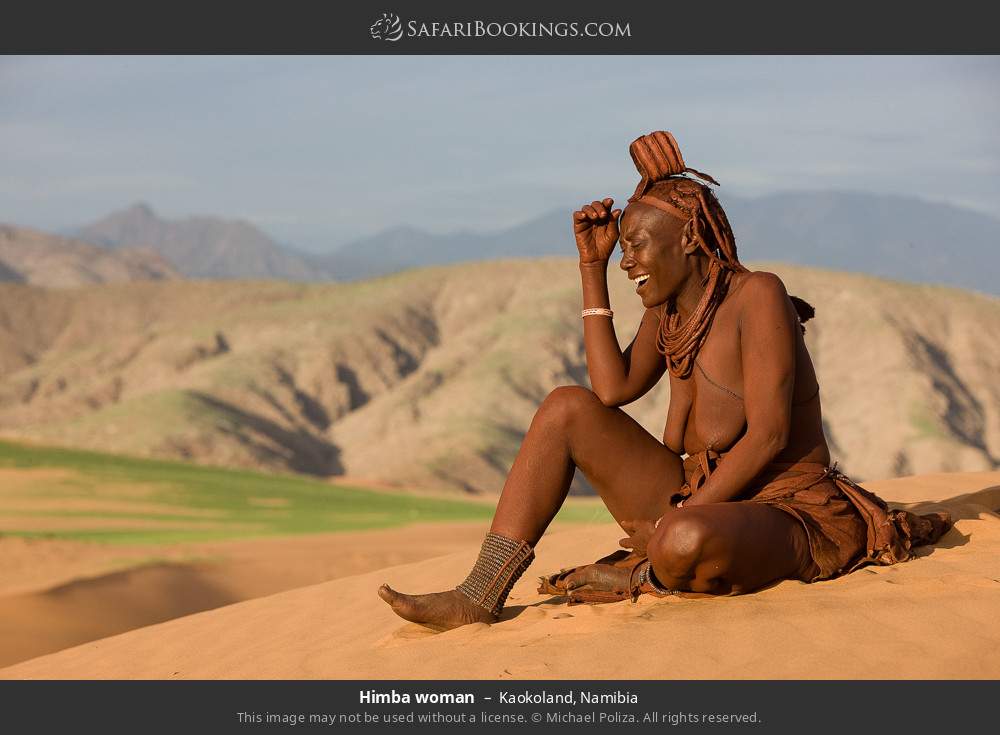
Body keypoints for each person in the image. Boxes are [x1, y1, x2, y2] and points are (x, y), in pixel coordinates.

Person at [377, 131, 950, 630]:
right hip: (694, 495)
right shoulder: (669, 312)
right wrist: (590, 268)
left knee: (683, 542)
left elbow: (770, 436)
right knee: (564, 408)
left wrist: (677, 520)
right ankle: (478, 594)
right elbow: (611, 391)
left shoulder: (760, 296)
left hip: (785, 510)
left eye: (636, 245)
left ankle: (647, 570)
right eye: (622, 249)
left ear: (688, 240)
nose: (628, 260)